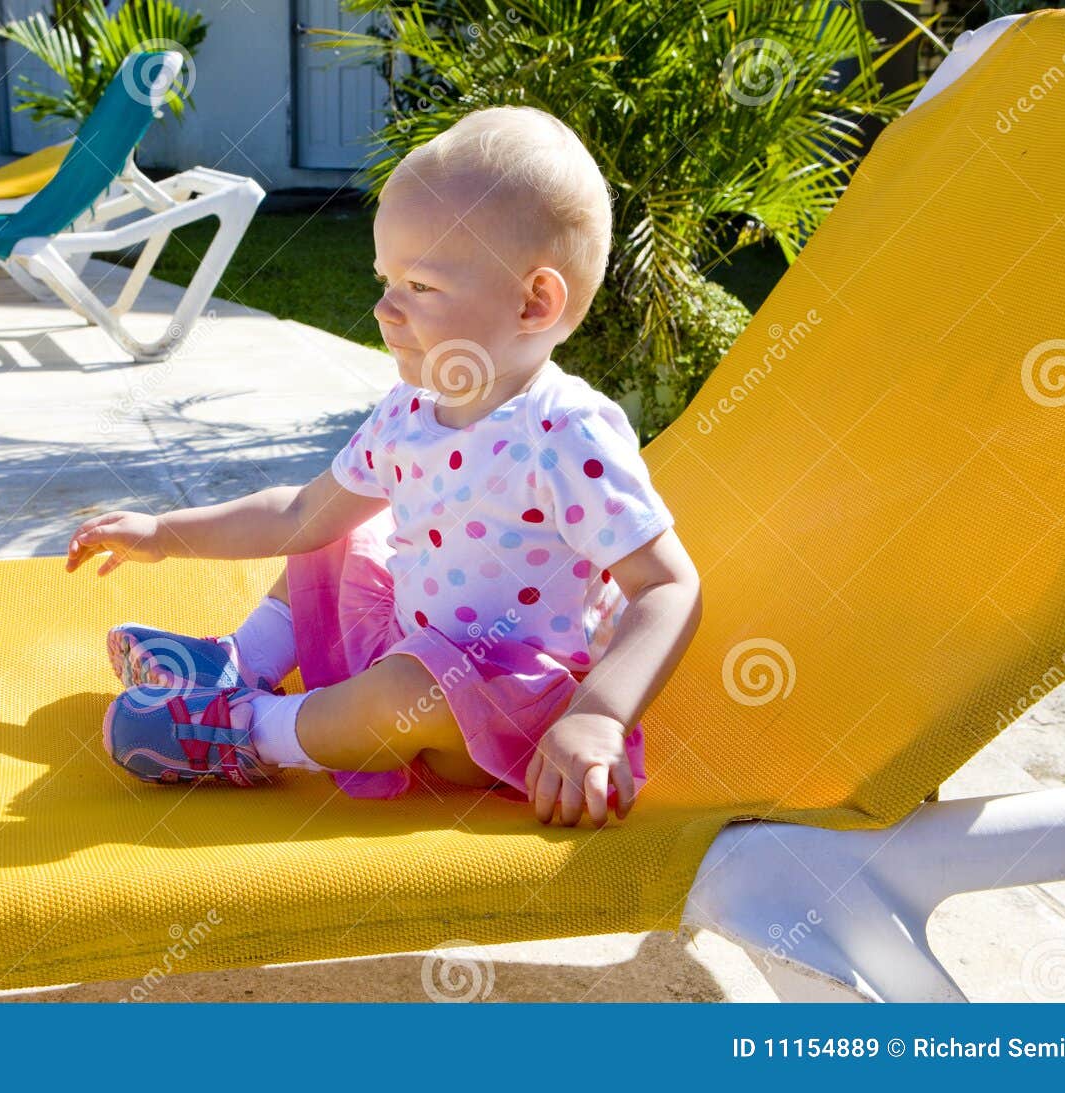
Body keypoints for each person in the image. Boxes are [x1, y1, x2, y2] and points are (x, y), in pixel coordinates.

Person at [67, 106, 702, 827]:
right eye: (385, 279)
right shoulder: (409, 411)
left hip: (504, 712)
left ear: (534, 302)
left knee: (407, 688)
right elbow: (300, 514)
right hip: (410, 647)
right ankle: (236, 660)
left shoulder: (566, 432)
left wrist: (599, 718)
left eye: (421, 287)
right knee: (343, 534)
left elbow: (669, 586)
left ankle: (249, 730)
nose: (384, 308)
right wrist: (162, 532)